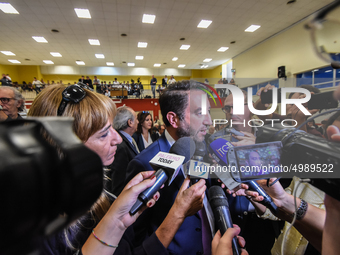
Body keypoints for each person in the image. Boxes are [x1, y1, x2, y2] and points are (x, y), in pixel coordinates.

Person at [29, 84, 204, 255]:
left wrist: (118, 218)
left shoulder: (103, 198)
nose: (118, 139)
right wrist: (177, 214)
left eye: (113, 127)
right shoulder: (32, 230)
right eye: (104, 133)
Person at [125, 80, 214, 255]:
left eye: (209, 112)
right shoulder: (144, 164)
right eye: (200, 113)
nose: (209, 121)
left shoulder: (202, 148)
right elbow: (136, 235)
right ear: (173, 119)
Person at [107, 106, 140, 195]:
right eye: (136, 119)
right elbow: (118, 184)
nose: (138, 121)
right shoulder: (120, 146)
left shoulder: (127, 140)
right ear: (130, 122)